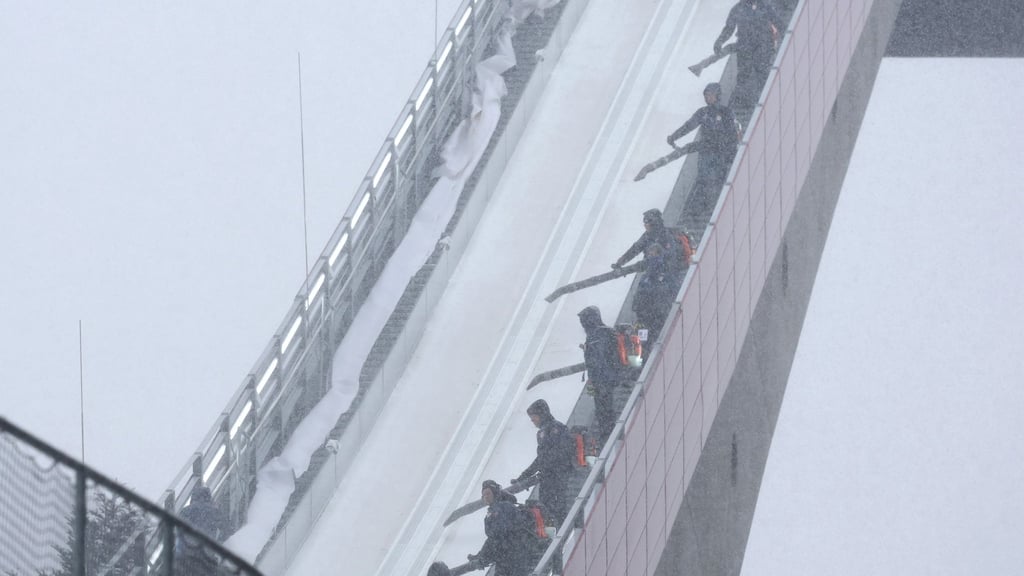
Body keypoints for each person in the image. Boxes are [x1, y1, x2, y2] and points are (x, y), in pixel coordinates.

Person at [666, 83, 740, 214]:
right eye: (706, 95)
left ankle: (717, 207)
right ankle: (707, 208)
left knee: (717, 180)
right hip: (706, 151)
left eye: (710, 95)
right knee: (704, 178)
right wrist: (674, 136)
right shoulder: (703, 113)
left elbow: (733, 135)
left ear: (717, 96)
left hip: (721, 153)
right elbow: (688, 126)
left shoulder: (726, 112)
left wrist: (730, 152)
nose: (708, 98)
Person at [713, 0, 785, 115]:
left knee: (761, 71)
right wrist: (719, 42)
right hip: (745, 46)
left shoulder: (764, 6)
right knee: (743, 74)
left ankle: (766, 98)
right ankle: (744, 102)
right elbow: (729, 28)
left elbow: (778, 22)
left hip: (763, 45)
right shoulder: (738, 8)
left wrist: (785, 36)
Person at [512, 399, 575, 529]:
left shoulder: (555, 429)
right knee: (548, 510)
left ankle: (558, 537)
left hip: (556, 477)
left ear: (542, 414)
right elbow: (541, 459)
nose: (532, 420)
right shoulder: (544, 432)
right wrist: (523, 476)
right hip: (549, 478)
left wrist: (546, 467)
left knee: (555, 510)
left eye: (534, 416)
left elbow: (556, 454)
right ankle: (555, 537)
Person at [576, 306, 624, 445]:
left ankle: (608, 434)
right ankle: (607, 433)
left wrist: (602, 378)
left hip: (603, 378)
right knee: (603, 407)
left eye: (583, 320)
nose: (582, 324)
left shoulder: (599, 335)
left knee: (604, 407)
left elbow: (601, 359)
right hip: (602, 378)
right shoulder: (599, 334)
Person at [467, 480, 534, 576]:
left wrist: (484, 557)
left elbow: (500, 535)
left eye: (488, 493)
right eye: (483, 494)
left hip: (513, 556)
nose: (485, 496)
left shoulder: (503, 507)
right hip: (506, 557)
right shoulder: (492, 512)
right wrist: (482, 555)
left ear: (495, 493)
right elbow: (493, 537)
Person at [175, 485, 229, 575]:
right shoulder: (215, 512)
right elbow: (226, 530)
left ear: (193, 497)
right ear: (209, 497)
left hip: (185, 555)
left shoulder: (184, 511)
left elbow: (177, 530)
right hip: (207, 555)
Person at [631, 243, 677, 345]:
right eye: (649, 254)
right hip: (647, 312)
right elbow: (640, 290)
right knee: (645, 338)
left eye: (652, 254)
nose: (650, 256)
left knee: (651, 337)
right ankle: (645, 351)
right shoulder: (647, 274)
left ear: (658, 254)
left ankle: (647, 351)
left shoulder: (663, 271)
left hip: (654, 312)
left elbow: (669, 290)